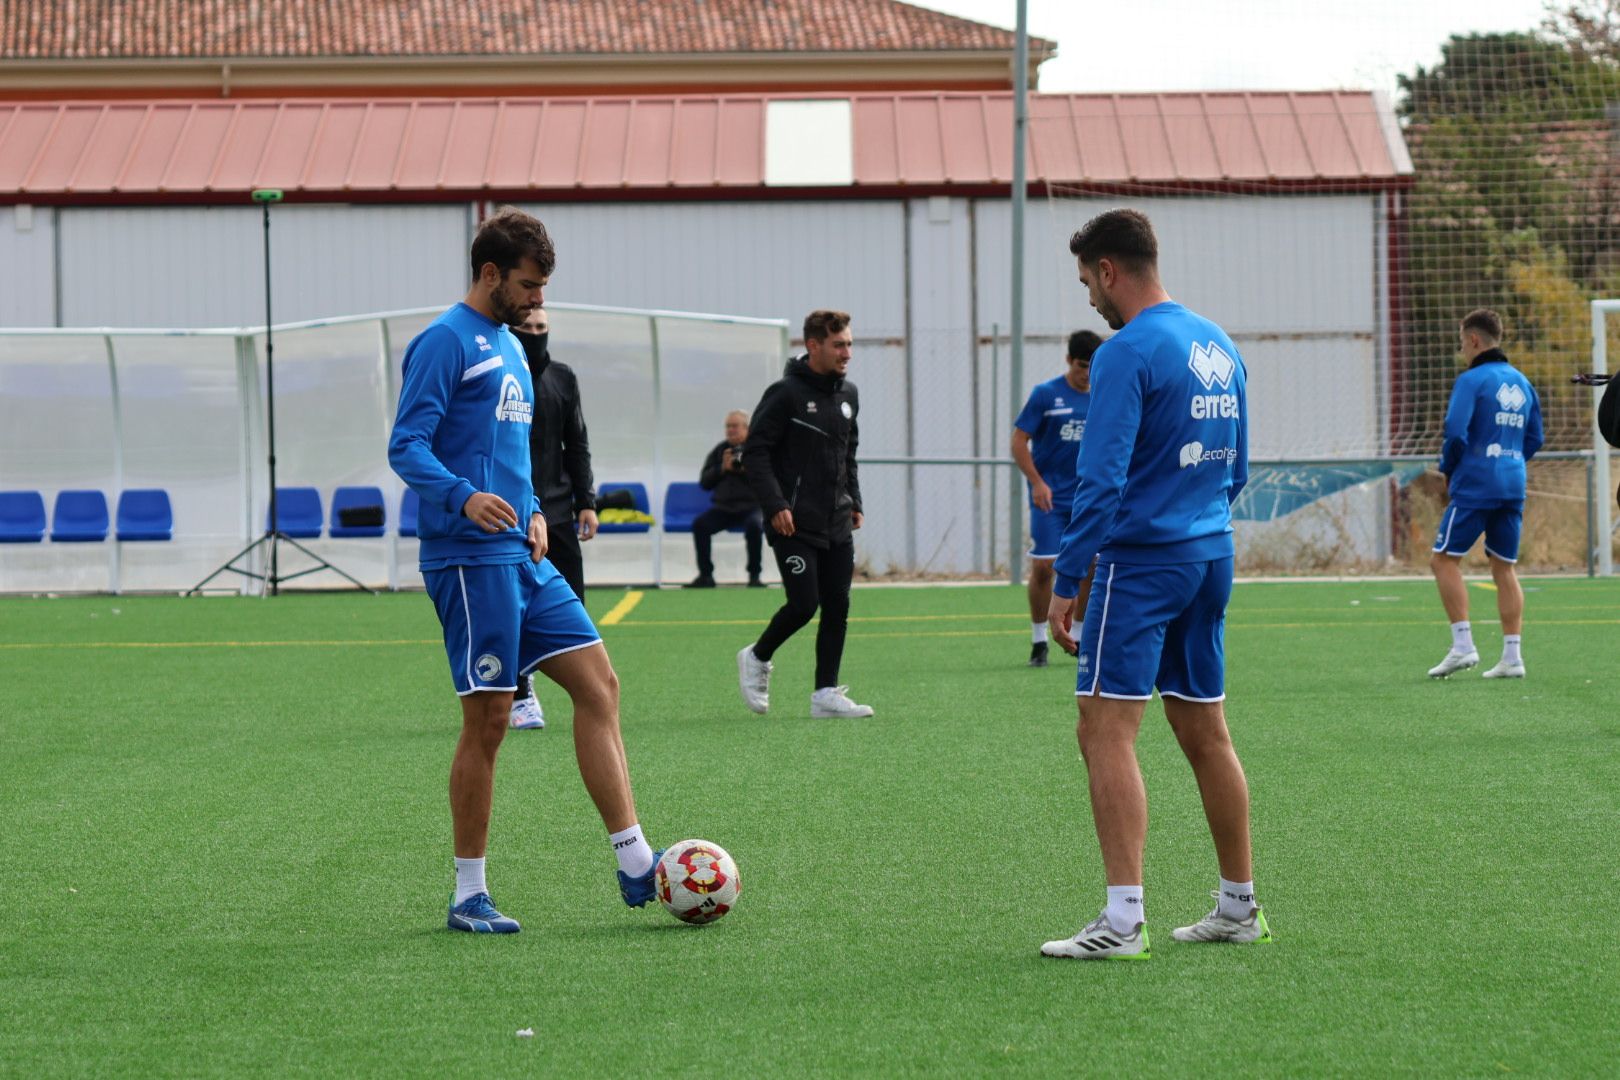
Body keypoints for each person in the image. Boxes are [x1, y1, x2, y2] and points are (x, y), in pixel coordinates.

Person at [387, 207, 659, 934]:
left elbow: (513, 455)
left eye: (541, 287)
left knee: (599, 684)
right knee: (491, 721)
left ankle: (636, 862)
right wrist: (463, 497)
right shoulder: (445, 342)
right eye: (529, 286)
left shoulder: (509, 346)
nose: (538, 299)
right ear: (489, 274)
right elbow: (406, 444)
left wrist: (534, 506)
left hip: (523, 552)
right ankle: (467, 893)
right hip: (468, 558)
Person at [1039, 209, 1267, 961]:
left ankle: (1124, 920)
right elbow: (1235, 469)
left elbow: (1098, 482)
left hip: (1142, 566)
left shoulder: (1125, 351)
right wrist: (1194, 518)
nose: (1090, 301)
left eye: (1087, 283)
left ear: (1108, 270)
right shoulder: (1217, 340)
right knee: (1207, 731)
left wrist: (1066, 582)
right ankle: (1239, 905)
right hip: (1211, 556)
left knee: (1103, 728)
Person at [735, 309, 872, 719]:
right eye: (839, 345)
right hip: (793, 520)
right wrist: (775, 504)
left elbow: (849, 454)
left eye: (849, 343)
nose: (847, 352)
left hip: (836, 519)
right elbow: (754, 453)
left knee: (838, 604)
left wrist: (856, 501)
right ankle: (757, 656)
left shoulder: (849, 396)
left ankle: (825, 694)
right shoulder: (786, 394)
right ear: (813, 346)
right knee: (803, 603)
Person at [1427, 309, 1543, 680]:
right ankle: (1512, 656)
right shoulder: (1522, 383)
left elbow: (1455, 432)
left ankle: (1463, 645)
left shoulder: (1472, 380)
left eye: (1462, 342)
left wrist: (1448, 471)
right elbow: (1535, 437)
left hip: (1476, 483)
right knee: (1503, 567)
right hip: (1513, 483)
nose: (1462, 349)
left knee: (1443, 560)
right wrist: (1511, 462)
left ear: (1474, 340)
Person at [508, 304, 599, 729]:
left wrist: (587, 501)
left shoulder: (563, 378)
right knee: (513, 609)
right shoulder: (501, 374)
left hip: (559, 513)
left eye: (542, 327)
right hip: (513, 515)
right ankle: (521, 692)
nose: (535, 333)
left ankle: (583, 685)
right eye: (527, 327)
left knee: (572, 606)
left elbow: (576, 444)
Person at [1012, 330, 1102, 667]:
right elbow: (1019, 441)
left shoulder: (1104, 397)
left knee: (1092, 565)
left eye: (1093, 366)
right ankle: (1038, 640)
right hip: (1049, 499)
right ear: (1068, 360)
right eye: (1081, 365)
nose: (1087, 373)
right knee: (1044, 566)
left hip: (1087, 499)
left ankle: (1077, 634)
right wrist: (1037, 482)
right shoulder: (1046, 395)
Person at [686, 409, 765, 589]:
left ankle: (755, 576)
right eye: (728, 426)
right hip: (723, 509)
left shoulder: (757, 450)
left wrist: (747, 470)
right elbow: (705, 483)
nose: (731, 430)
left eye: (735, 426)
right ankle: (706, 576)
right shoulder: (720, 451)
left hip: (751, 508)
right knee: (700, 525)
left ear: (747, 428)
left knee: (755, 526)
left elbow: (768, 479)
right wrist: (722, 469)